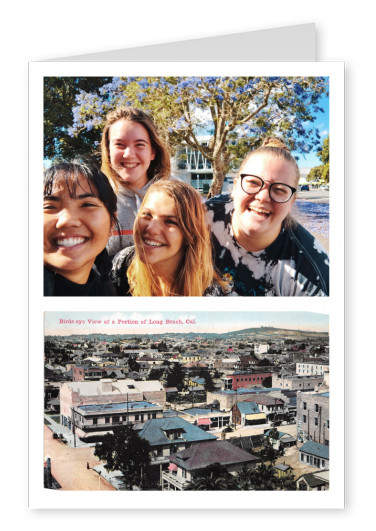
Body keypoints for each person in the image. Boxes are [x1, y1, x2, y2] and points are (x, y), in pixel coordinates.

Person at [206, 137, 329, 296]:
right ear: (235, 186)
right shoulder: (203, 216)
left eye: (279, 189)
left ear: (292, 201)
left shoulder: (311, 274)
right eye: (253, 183)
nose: (263, 197)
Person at [111, 180, 225, 296]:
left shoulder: (209, 293)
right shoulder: (122, 264)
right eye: (147, 215)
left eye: (170, 221)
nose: (152, 229)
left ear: (190, 234)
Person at [101, 106, 171, 257]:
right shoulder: (95, 199)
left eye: (139, 144)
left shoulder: (176, 196)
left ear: (152, 152)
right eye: (119, 144)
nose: (129, 154)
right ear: (108, 151)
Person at [43, 159, 118, 296]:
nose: (67, 221)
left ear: (112, 223)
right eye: (49, 207)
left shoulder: (107, 292)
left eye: (87, 205)